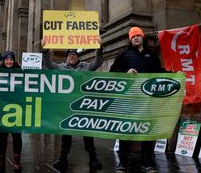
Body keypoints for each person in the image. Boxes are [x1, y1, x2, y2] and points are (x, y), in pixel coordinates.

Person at [41, 38, 104, 172]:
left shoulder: (86, 66)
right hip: (67, 106)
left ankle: (93, 158)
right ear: (66, 58)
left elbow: (97, 62)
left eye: (74, 55)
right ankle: (63, 158)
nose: (72, 56)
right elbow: (48, 64)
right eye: (69, 55)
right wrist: (45, 51)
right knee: (66, 133)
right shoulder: (60, 67)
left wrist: (99, 48)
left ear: (77, 57)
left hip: (83, 105)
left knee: (87, 132)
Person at [109, 27, 163, 173]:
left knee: (147, 131)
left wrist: (175, 75)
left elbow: (160, 72)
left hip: (147, 100)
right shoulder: (124, 55)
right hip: (129, 99)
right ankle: (123, 163)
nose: (136, 38)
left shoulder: (152, 55)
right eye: (133, 36)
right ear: (130, 39)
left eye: (138, 35)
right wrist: (125, 72)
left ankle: (146, 162)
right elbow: (112, 72)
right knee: (126, 130)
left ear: (143, 38)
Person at [0, 51, 23, 172]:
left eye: (11, 60)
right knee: (2, 136)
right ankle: (0, 160)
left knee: (17, 135)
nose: (9, 61)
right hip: (2, 108)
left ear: (14, 61)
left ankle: (17, 160)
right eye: (6, 59)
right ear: (4, 61)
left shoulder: (20, 71)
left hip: (17, 108)